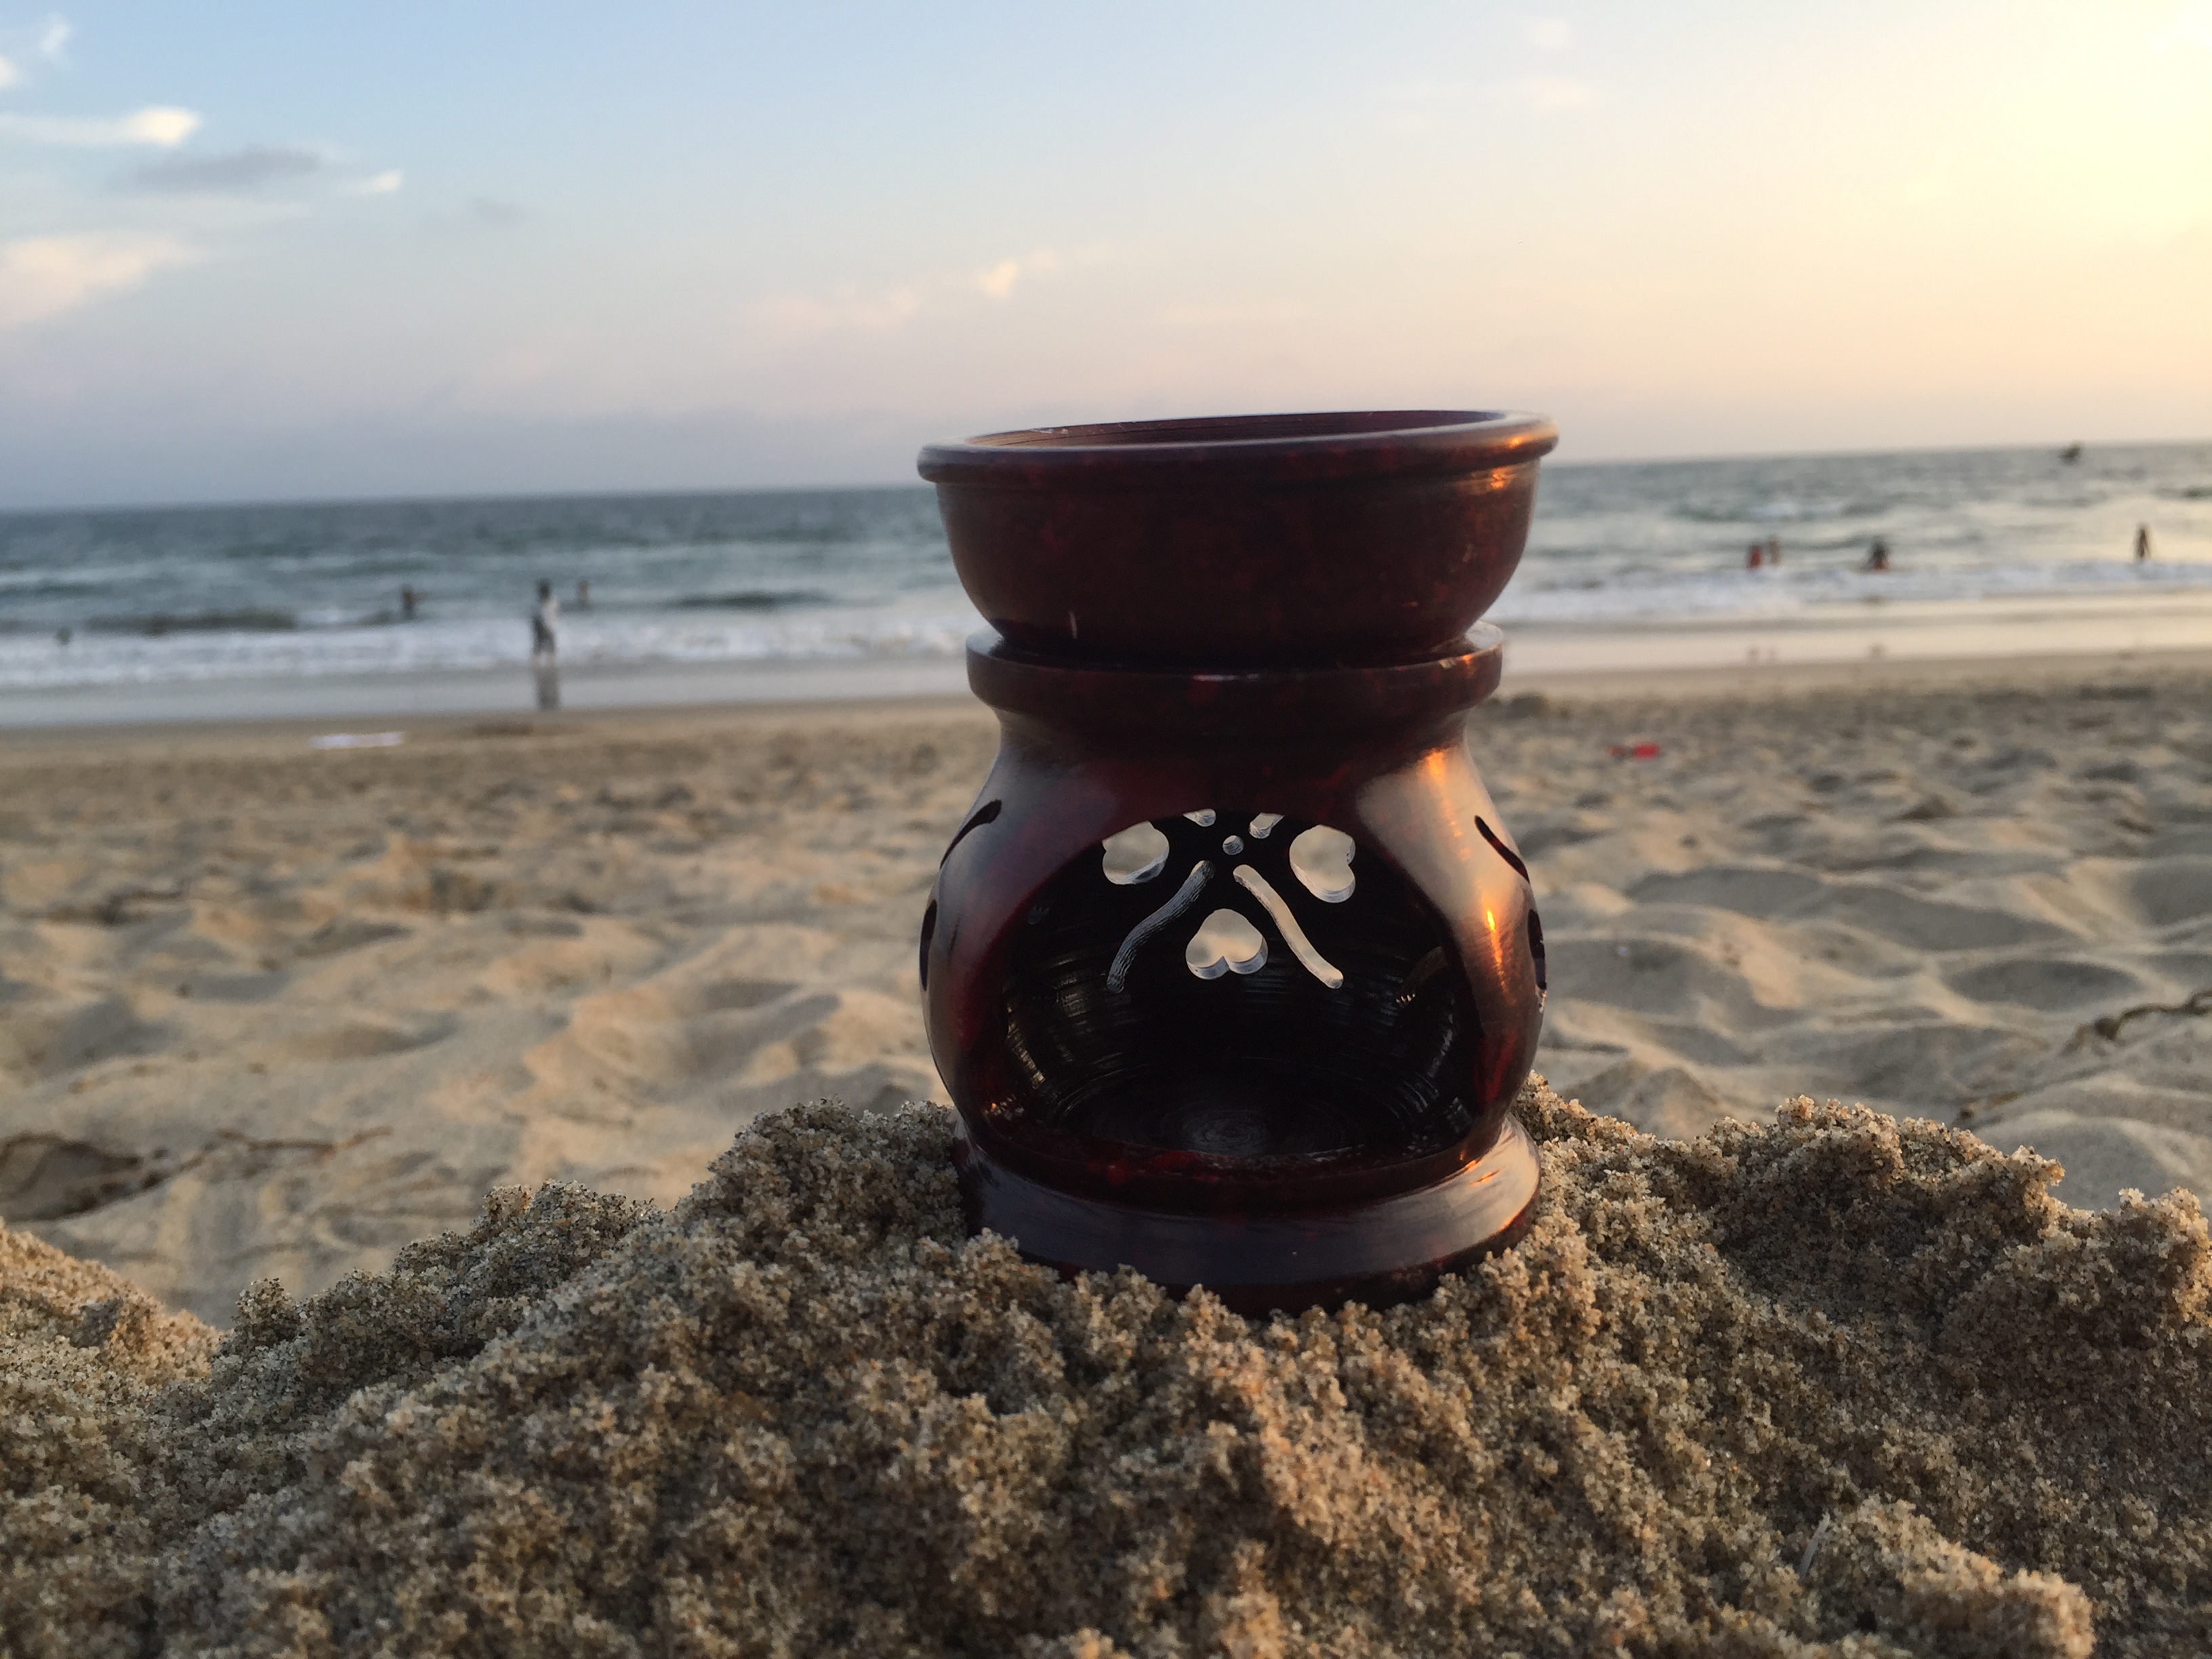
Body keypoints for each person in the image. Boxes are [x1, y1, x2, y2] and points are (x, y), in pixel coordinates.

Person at [531, 580, 560, 711]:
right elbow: (535, 618)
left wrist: (552, 625)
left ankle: (550, 665)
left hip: (550, 627)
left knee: (550, 648)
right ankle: (538, 666)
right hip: (542, 628)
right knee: (539, 647)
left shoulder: (552, 602)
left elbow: (556, 614)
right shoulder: (541, 603)